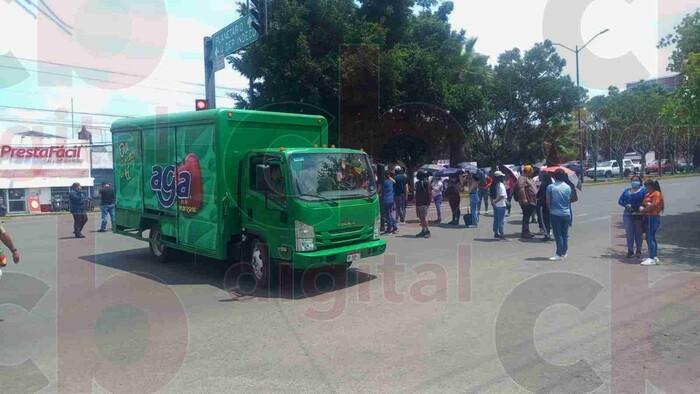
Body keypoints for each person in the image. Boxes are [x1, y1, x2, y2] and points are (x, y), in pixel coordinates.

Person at [547, 169, 573, 261]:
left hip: (555, 213)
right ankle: (564, 252)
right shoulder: (568, 187)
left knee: (558, 234)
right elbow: (569, 200)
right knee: (565, 234)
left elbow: (548, 201)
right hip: (566, 213)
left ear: (555, 176)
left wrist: (551, 209)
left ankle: (559, 253)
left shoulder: (550, 187)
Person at [618, 175, 646, 259]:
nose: (634, 182)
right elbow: (620, 201)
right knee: (629, 233)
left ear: (640, 182)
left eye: (636, 180)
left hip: (638, 214)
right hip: (627, 214)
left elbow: (646, 202)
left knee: (638, 233)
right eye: (633, 180)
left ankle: (638, 251)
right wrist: (626, 205)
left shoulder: (643, 191)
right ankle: (630, 250)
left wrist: (639, 207)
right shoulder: (627, 191)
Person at [639, 179, 664, 266]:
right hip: (648, 217)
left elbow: (654, 205)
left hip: (653, 217)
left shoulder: (656, 193)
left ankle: (651, 258)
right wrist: (642, 207)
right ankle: (654, 256)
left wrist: (644, 210)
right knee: (650, 237)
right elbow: (644, 203)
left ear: (651, 186)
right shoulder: (648, 194)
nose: (645, 187)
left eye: (646, 186)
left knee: (650, 237)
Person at [516, 165, 538, 238]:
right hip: (527, 201)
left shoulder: (529, 178)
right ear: (527, 171)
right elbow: (521, 188)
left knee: (527, 216)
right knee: (526, 216)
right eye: (531, 171)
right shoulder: (522, 178)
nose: (532, 172)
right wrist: (524, 198)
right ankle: (525, 232)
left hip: (532, 201)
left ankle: (527, 231)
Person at [414, 170, 433, 238]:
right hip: (418, 202)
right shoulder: (418, 183)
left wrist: (429, 201)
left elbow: (429, 192)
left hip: (424, 202)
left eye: (418, 174)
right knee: (421, 217)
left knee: (424, 217)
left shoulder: (426, 182)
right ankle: (423, 230)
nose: (417, 176)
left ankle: (427, 231)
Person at [490, 171, 508, 240]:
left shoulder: (492, 184)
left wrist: (493, 202)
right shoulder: (501, 185)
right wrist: (495, 202)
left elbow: (491, 195)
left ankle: (496, 233)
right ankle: (501, 233)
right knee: (501, 220)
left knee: (496, 220)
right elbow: (502, 196)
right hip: (501, 205)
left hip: (495, 205)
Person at [536, 172, 553, 242]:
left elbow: (538, 195)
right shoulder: (552, 185)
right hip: (551, 205)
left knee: (544, 220)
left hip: (543, 204)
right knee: (550, 219)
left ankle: (547, 234)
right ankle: (550, 232)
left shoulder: (543, 185)